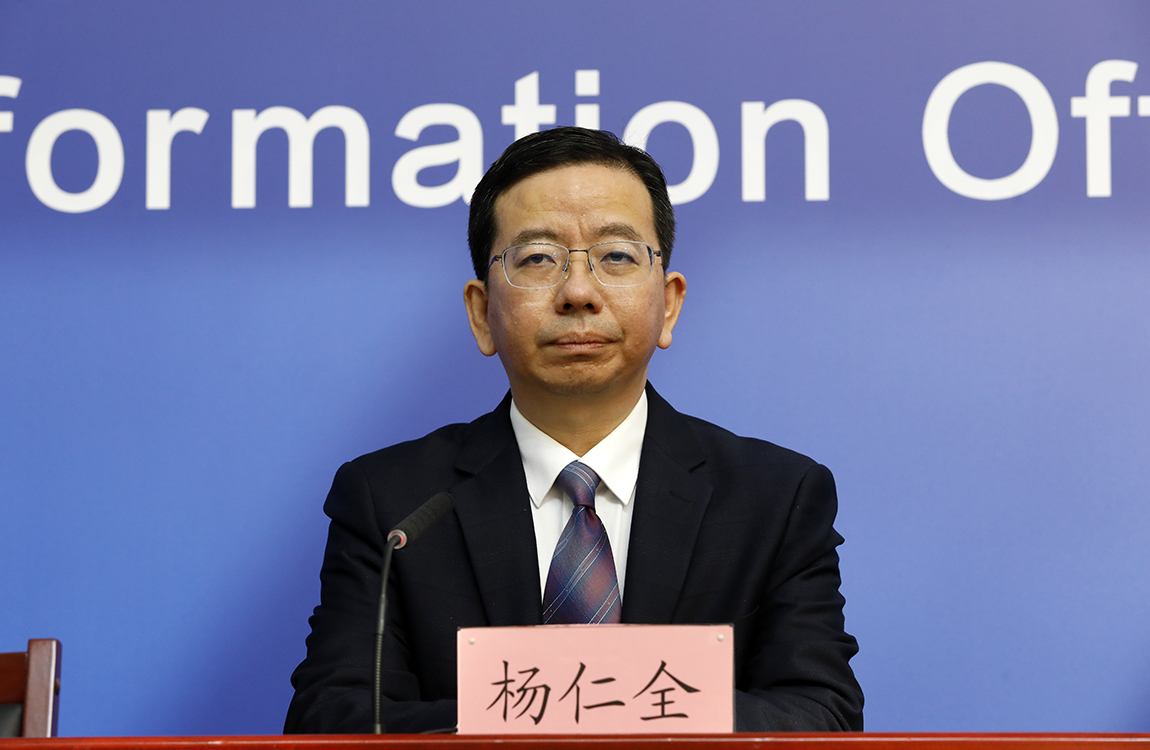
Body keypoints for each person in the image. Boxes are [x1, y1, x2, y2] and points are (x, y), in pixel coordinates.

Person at [284, 127, 863, 734]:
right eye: (538, 259)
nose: (579, 293)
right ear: (482, 313)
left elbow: (820, 714)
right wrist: (580, 719)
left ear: (669, 303)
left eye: (616, 257)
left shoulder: (775, 497)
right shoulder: (394, 503)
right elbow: (335, 719)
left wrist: (557, 712)